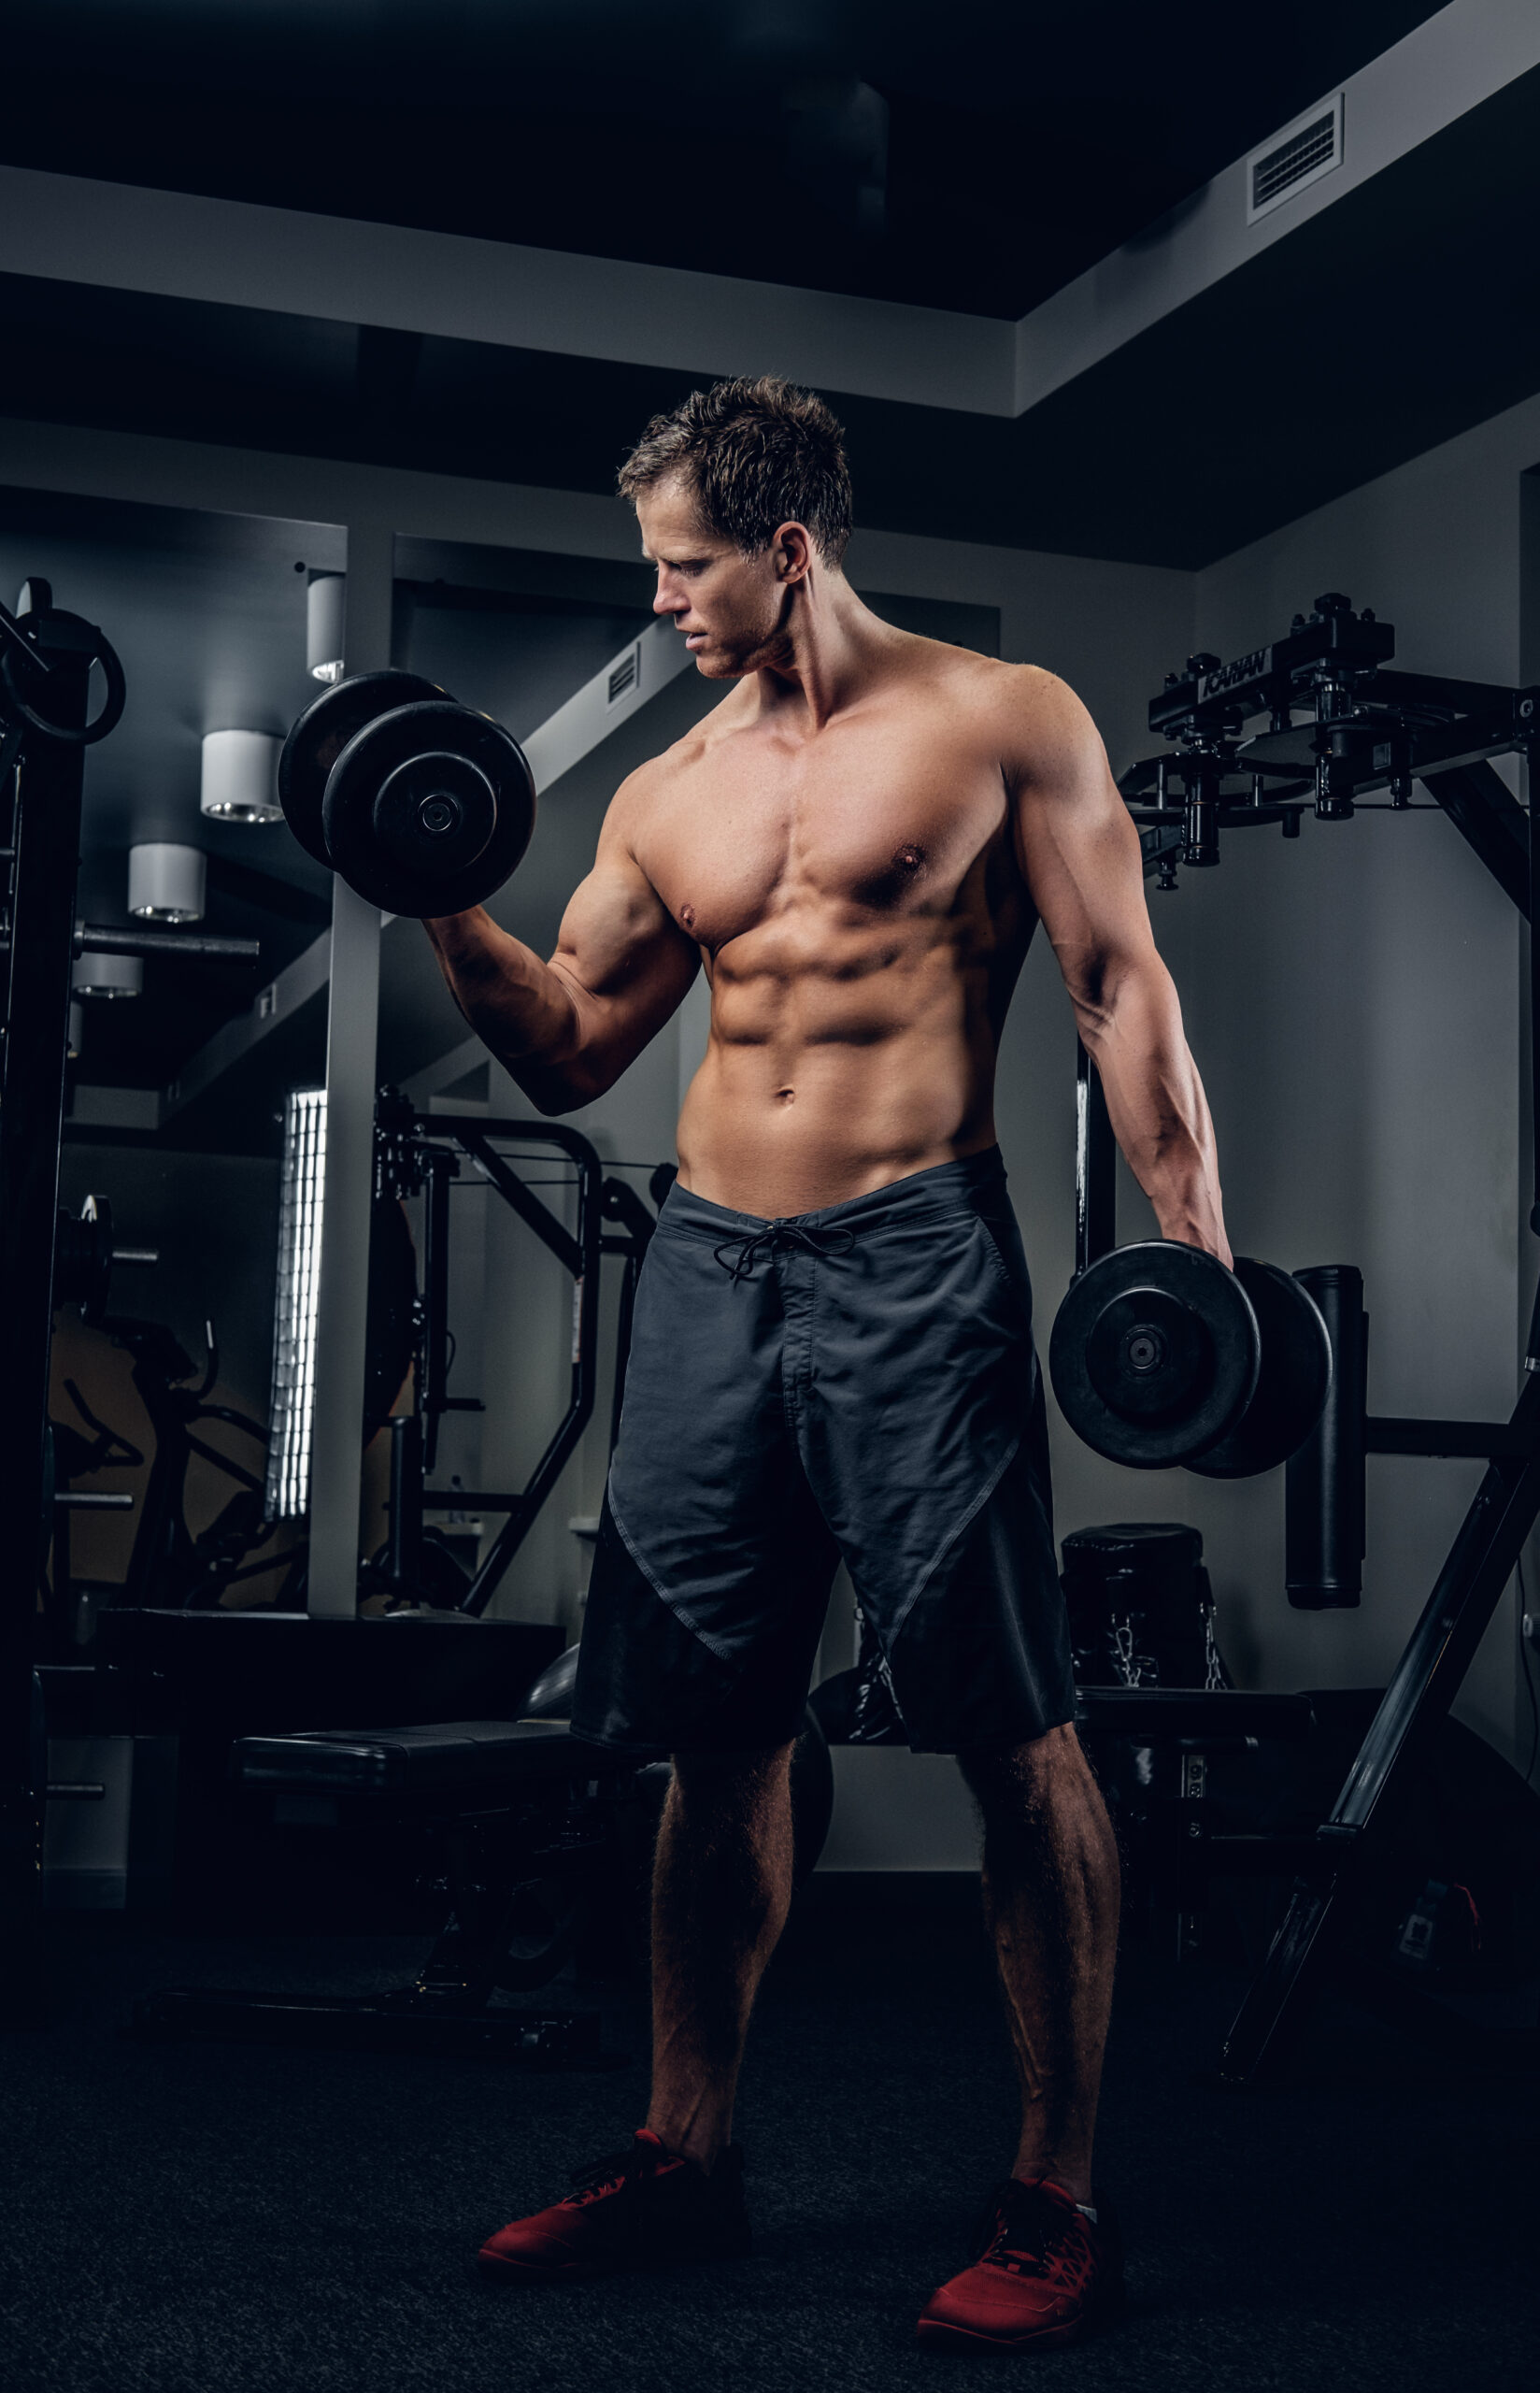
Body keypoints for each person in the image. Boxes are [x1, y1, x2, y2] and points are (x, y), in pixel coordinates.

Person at [423, 377, 1231, 2351]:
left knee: (1002, 1722)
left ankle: (1053, 2192)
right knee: (715, 1727)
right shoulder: (662, 791)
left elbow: (1118, 991)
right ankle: (683, 2150)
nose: (657, 605)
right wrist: (431, 887)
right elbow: (570, 1043)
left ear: (787, 548)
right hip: (706, 1262)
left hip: (910, 1254)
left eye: (683, 567)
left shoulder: (997, 719)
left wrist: (1197, 1261)